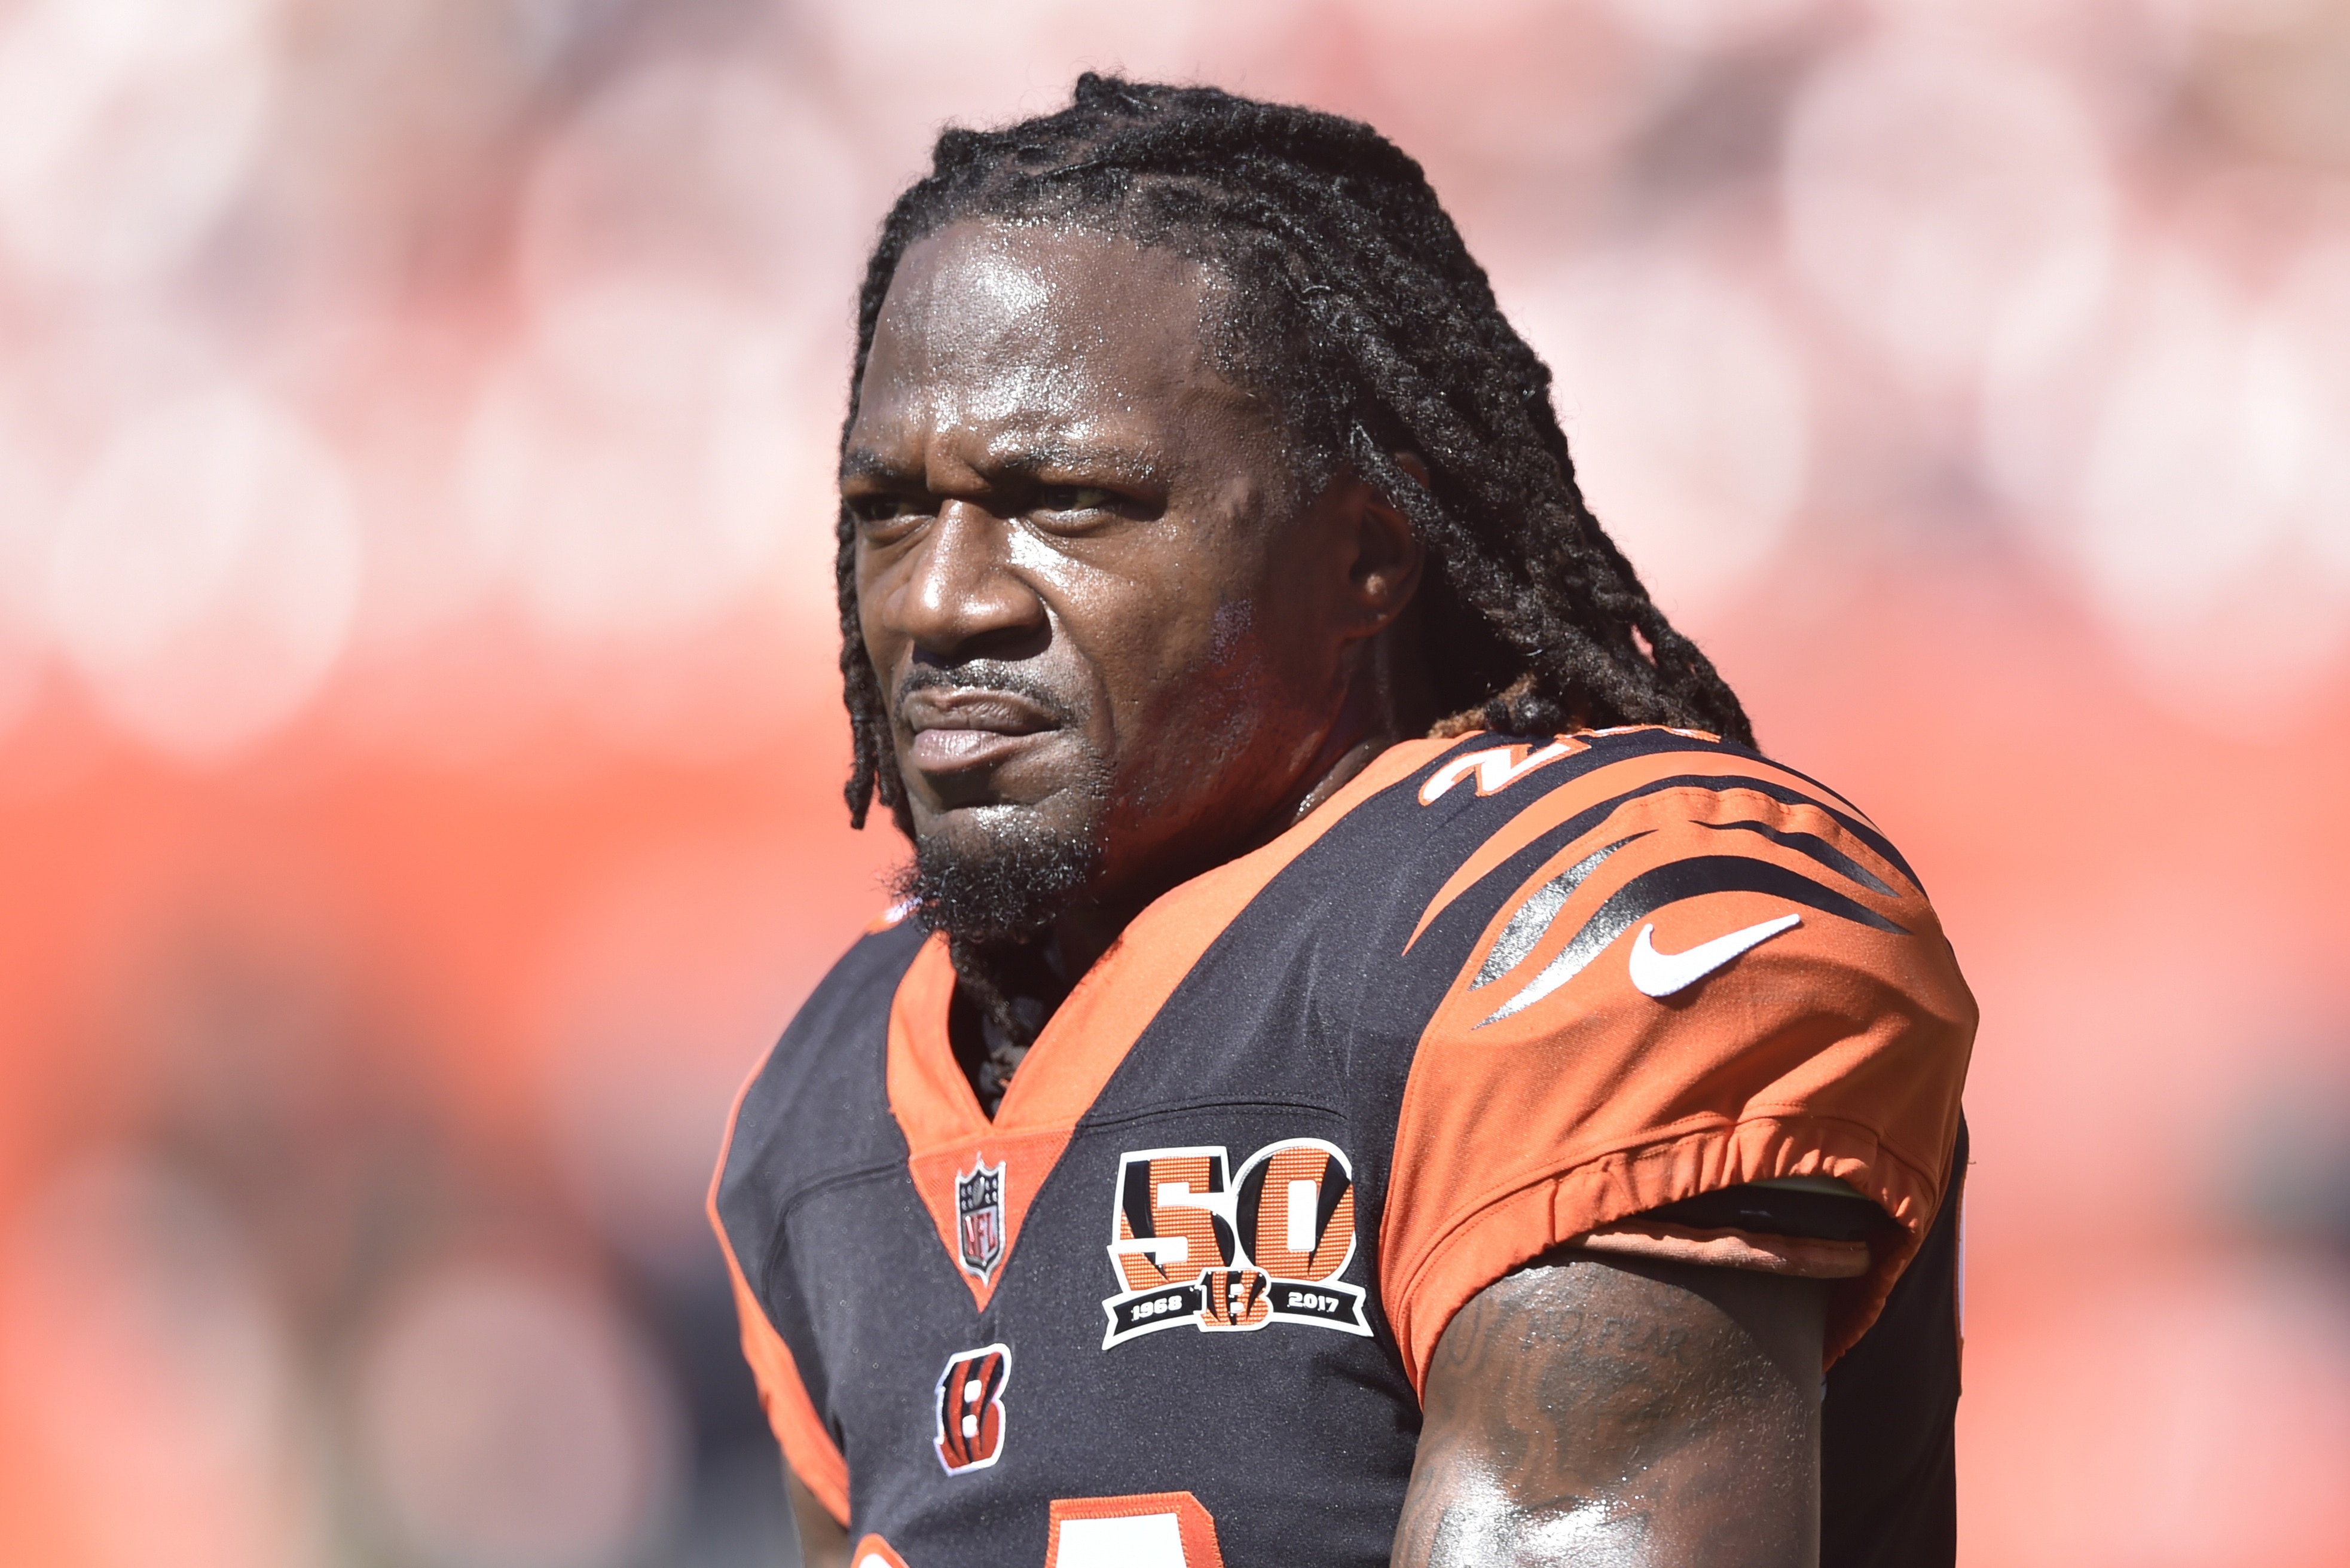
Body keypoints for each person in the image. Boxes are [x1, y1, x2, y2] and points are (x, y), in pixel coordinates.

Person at [710, 75, 1973, 1568]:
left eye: (1063, 502)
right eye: (890, 511)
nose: (940, 599)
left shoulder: (1564, 926)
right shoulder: (837, 1086)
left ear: (1366, 553)